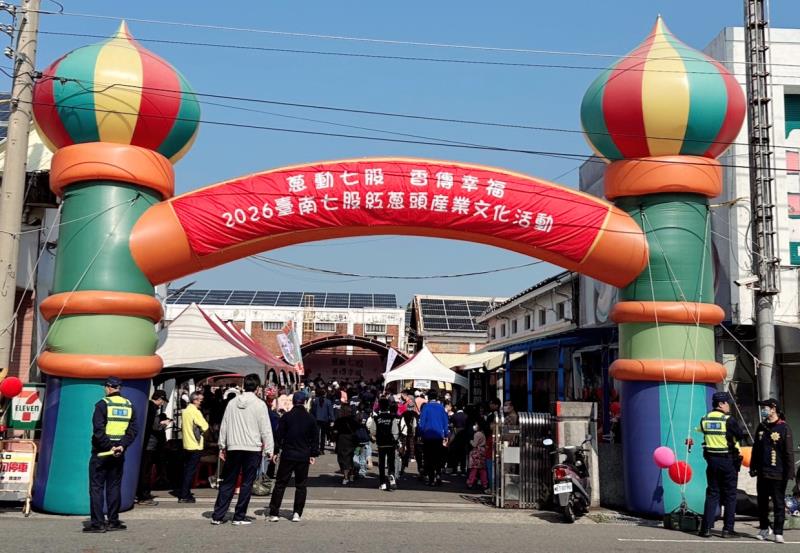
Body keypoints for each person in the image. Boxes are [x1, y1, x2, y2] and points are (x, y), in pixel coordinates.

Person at [211, 374, 274, 525]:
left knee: (228, 481)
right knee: (247, 483)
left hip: (233, 446)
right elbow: (265, 429)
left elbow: (225, 425)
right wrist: (269, 449)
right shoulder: (260, 404)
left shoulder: (232, 403)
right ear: (257, 388)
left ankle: (218, 515)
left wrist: (222, 445)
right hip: (252, 448)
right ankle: (239, 516)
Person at [85, 376, 138, 533]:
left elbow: (98, 430)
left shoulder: (102, 404)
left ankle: (98, 523)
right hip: (119, 453)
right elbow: (133, 430)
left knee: (96, 487)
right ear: (119, 388)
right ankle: (113, 521)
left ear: (108, 387)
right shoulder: (129, 405)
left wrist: (110, 446)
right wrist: (121, 445)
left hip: (102, 453)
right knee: (114, 487)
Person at [697, 391, 746, 538]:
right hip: (727, 461)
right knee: (730, 495)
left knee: (712, 493)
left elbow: (700, 431)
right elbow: (740, 435)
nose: (728, 406)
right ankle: (727, 529)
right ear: (720, 404)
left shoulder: (704, 419)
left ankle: (706, 529)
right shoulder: (728, 420)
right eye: (727, 403)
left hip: (711, 461)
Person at [268, 392, 319, 522]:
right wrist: (313, 453)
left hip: (288, 454)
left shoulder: (286, 416)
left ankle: (274, 512)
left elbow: (279, 435)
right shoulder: (310, 418)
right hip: (303, 454)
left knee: (280, 483)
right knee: (301, 485)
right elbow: (315, 438)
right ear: (305, 402)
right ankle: (297, 512)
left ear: (293, 402)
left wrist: (276, 451)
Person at [750, 398, 795, 544]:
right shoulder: (761, 426)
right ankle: (764, 528)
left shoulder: (784, 427)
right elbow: (756, 449)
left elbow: (788, 452)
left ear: (773, 409)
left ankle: (778, 532)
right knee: (762, 502)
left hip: (778, 472)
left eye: (765, 408)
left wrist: (790, 471)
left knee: (778, 503)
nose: (763, 410)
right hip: (763, 471)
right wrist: (753, 466)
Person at [136, 389, 169, 505]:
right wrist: (165, 424)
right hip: (149, 444)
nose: (163, 403)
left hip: (144, 443)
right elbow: (156, 427)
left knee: (144, 470)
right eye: (163, 401)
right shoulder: (153, 409)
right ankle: (143, 495)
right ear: (159, 399)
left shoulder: (146, 406)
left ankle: (140, 493)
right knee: (146, 471)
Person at [179, 391, 209, 503]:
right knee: (190, 471)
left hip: (186, 444)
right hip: (195, 445)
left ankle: (184, 492)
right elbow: (205, 426)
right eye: (200, 400)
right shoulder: (195, 412)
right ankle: (185, 495)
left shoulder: (185, 411)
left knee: (186, 470)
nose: (201, 402)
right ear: (195, 400)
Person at [418, 390, 449, 486]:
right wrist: (446, 435)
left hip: (427, 436)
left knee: (428, 457)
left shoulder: (426, 407)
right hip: (438, 435)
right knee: (438, 456)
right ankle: (438, 475)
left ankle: (431, 479)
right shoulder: (441, 407)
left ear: (429, 397)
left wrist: (420, 434)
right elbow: (445, 422)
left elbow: (422, 423)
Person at [369, 397, 400, 491]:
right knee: (391, 462)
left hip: (381, 443)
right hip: (390, 443)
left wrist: (375, 436)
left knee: (381, 463)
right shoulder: (392, 417)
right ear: (388, 407)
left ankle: (382, 483)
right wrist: (394, 440)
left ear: (380, 407)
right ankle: (391, 475)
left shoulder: (376, 418)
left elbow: (372, 431)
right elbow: (395, 431)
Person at [332, 404, 359, 485]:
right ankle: (351, 474)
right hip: (352, 440)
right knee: (350, 457)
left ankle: (346, 477)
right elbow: (357, 429)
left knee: (343, 459)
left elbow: (334, 431)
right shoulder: (353, 420)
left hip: (342, 440)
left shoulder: (339, 421)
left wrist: (333, 437)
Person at [466, 419, 489, 490]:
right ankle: (485, 483)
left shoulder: (477, 434)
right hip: (482, 451)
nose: (475, 426)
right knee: (482, 469)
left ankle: (470, 482)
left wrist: (470, 441)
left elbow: (474, 444)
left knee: (474, 468)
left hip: (476, 452)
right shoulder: (482, 433)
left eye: (476, 424)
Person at [310, 389, 335, 454]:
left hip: (317, 419)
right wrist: (332, 420)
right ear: (325, 394)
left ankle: (316, 448)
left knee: (316, 434)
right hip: (325, 420)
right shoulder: (328, 401)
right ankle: (322, 449)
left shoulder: (315, 401)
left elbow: (312, 410)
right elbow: (330, 412)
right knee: (323, 435)